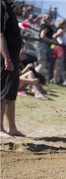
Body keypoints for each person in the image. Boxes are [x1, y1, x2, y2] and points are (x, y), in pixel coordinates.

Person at [1, 0, 25, 137]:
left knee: (11, 95)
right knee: (3, 94)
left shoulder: (10, 8)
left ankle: (12, 128)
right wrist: (7, 58)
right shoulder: (2, 6)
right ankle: (0, 129)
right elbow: (0, 35)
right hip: (6, 58)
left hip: (14, 57)